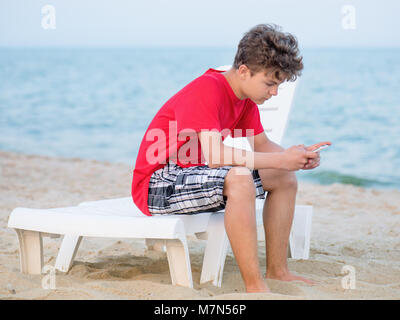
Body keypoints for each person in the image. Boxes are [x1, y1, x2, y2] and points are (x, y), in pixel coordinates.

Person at [132, 23, 331, 293]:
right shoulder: (208, 89)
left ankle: (278, 271)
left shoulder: (245, 100)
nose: (274, 93)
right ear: (244, 71)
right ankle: (254, 285)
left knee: (284, 177)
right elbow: (216, 156)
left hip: (195, 174)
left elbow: (262, 145)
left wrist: (293, 158)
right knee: (238, 178)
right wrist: (280, 160)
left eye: (278, 85)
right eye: (270, 83)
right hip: (157, 183)